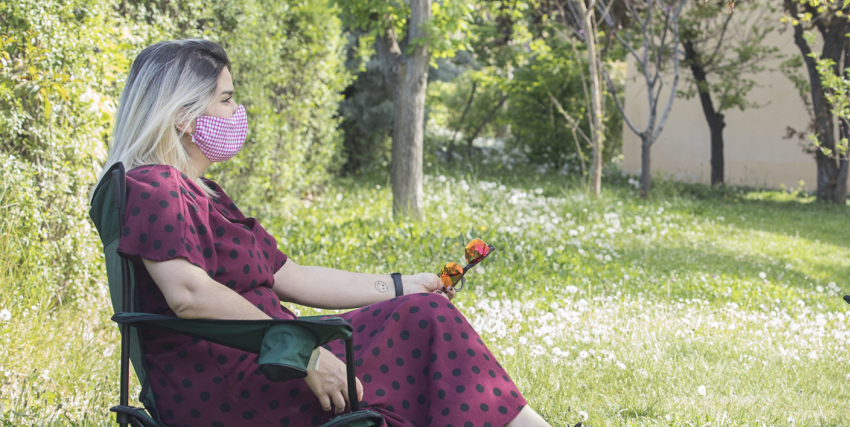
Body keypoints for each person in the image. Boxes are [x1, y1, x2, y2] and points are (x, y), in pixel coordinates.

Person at [100, 39, 551, 427]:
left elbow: (294, 277)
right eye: (226, 99)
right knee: (426, 322)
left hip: (268, 357)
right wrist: (304, 351)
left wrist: (403, 286)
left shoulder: (203, 193)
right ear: (183, 116)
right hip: (235, 382)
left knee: (421, 311)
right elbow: (188, 293)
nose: (238, 112)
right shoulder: (155, 186)